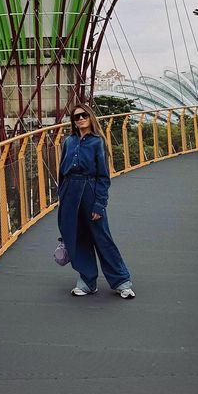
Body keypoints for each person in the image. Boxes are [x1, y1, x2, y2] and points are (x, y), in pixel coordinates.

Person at [57, 102, 135, 299]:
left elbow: (103, 176)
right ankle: (87, 281)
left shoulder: (97, 142)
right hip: (69, 191)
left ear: (90, 117)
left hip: (89, 189)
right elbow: (61, 172)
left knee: (102, 237)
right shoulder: (69, 142)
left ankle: (121, 281)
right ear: (73, 122)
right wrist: (62, 196)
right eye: (76, 117)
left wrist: (99, 203)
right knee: (77, 237)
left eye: (84, 115)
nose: (81, 119)